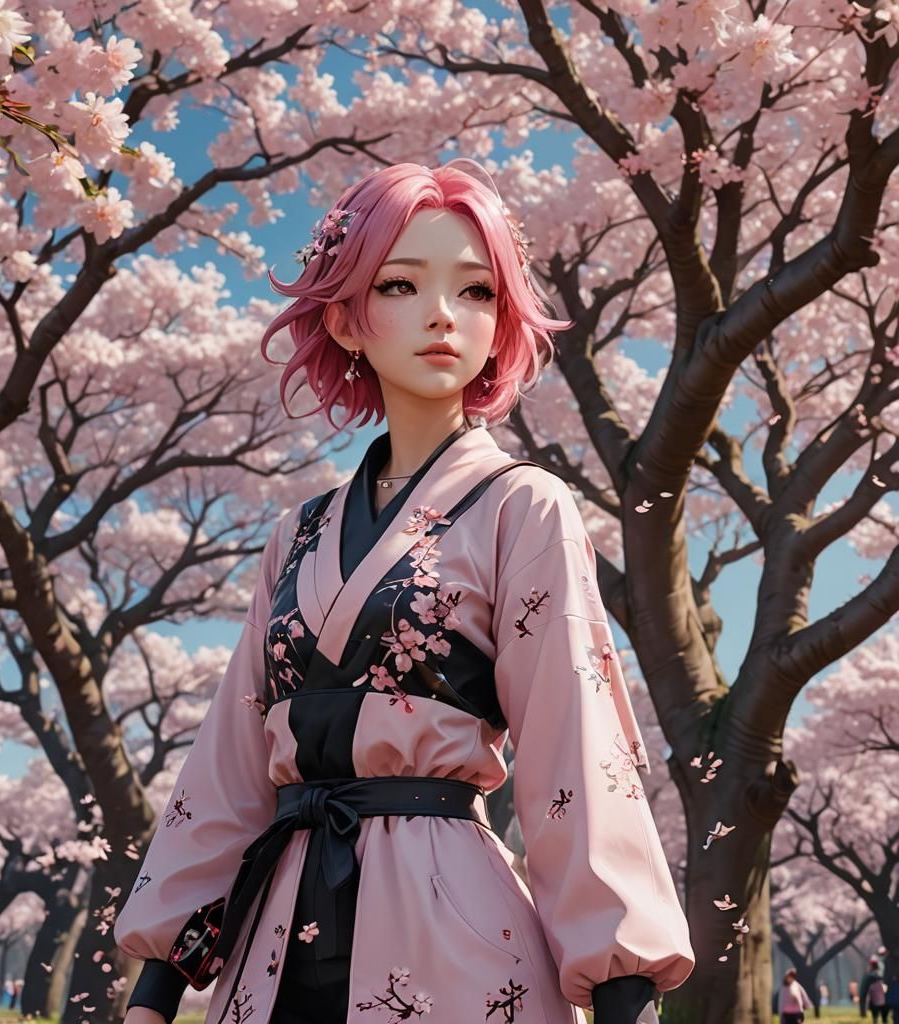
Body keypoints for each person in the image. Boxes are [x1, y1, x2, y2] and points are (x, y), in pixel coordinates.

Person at [113, 160, 696, 1024]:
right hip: (278, 926)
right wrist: (159, 986)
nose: (443, 314)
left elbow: (573, 750)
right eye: (401, 284)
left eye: (476, 290)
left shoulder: (523, 506)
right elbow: (230, 762)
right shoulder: (296, 533)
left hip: (451, 926)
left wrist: (623, 993)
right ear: (345, 318)